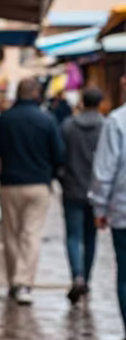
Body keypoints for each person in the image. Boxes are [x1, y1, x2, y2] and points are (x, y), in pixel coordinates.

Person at [0, 78, 65, 304]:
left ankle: (14, 280)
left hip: (10, 183)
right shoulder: (47, 120)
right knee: (30, 235)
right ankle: (23, 283)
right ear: (36, 94)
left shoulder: (6, 119)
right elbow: (59, 155)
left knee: (11, 234)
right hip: (38, 184)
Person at [89, 78, 126, 340]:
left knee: (125, 274)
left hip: (124, 212)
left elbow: (104, 171)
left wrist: (100, 209)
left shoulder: (117, 121)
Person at [60, 87, 104, 303]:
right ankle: (86, 279)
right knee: (90, 237)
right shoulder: (106, 126)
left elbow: (60, 155)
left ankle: (77, 275)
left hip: (72, 188)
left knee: (73, 235)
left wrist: (63, 177)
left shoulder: (69, 126)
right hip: (96, 192)